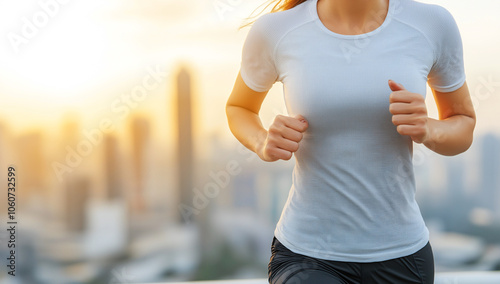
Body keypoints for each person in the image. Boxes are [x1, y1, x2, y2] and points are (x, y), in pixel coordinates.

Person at [225, 0, 476, 283]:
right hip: (308, 256)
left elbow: (463, 123)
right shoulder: (276, 30)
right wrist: (262, 142)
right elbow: (239, 108)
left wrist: (428, 129)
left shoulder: (433, 23)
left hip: (403, 257)